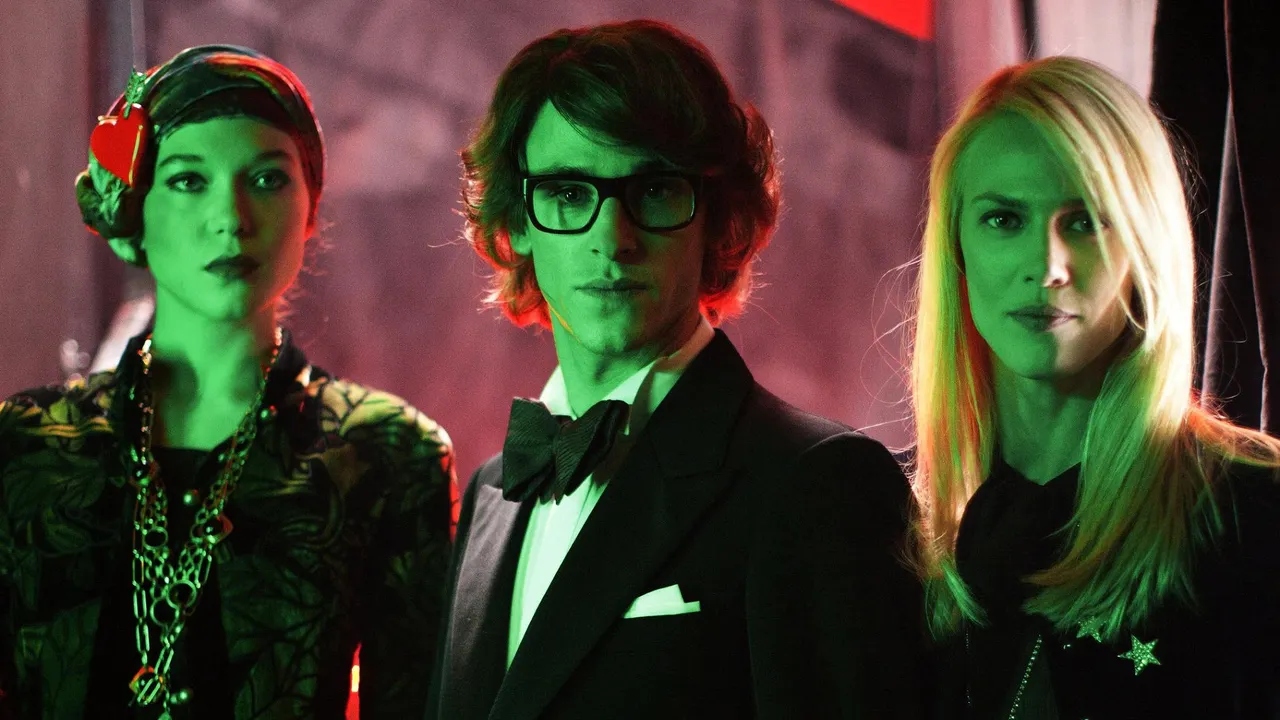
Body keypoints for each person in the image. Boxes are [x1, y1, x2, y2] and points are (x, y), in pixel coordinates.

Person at [428, 19, 927, 720]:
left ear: (717, 219)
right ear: (516, 224)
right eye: (569, 192)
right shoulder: (492, 490)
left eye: (655, 190)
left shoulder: (820, 482)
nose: (613, 238)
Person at [0, 45, 456, 719]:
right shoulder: (26, 446)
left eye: (268, 179)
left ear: (311, 208)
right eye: (188, 179)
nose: (232, 217)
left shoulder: (386, 452)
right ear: (137, 206)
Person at [909, 55, 1280, 719]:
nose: (1047, 265)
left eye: (1084, 221)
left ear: (1145, 247)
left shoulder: (1252, 512)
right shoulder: (905, 535)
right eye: (1004, 219)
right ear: (957, 247)